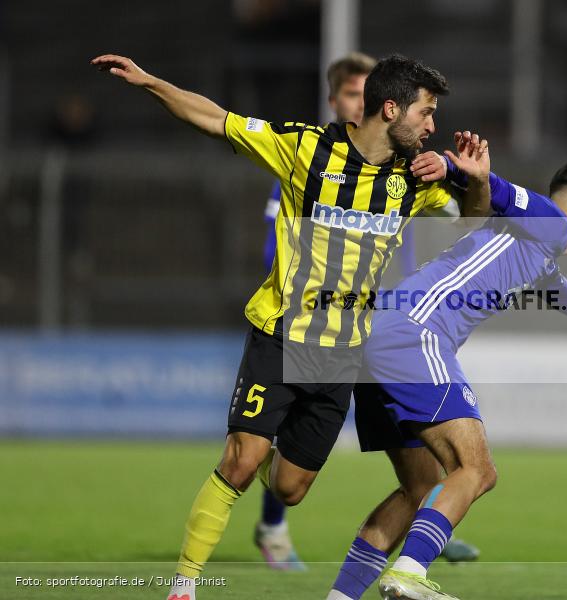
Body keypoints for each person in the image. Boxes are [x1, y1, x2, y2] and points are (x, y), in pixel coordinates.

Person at [90, 52, 492, 600]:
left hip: (342, 354)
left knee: (290, 486)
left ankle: (269, 482)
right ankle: (183, 586)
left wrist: (476, 179)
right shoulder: (307, 147)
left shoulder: (415, 177)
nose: (432, 125)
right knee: (240, 460)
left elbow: (473, 220)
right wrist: (148, 81)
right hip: (280, 333)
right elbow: (216, 118)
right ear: (391, 108)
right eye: (426, 112)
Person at [325, 157, 567, 600]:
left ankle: (340, 597)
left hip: (379, 334)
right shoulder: (551, 221)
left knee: (420, 488)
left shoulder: (538, 251)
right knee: (477, 470)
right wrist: (450, 165)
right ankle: (408, 572)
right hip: (416, 335)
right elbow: (494, 187)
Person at [255, 53, 480, 570]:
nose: (361, 103)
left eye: (366, 93)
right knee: (284, 459)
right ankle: (273, 527)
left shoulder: (408, 176)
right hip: (318, 325)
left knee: (426, 471)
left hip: (386, 330)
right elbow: (277, 249)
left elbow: (465, 218)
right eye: (351, 95)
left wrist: (463, 177)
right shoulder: (307, 163)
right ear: (338, 103)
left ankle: (428, 529)